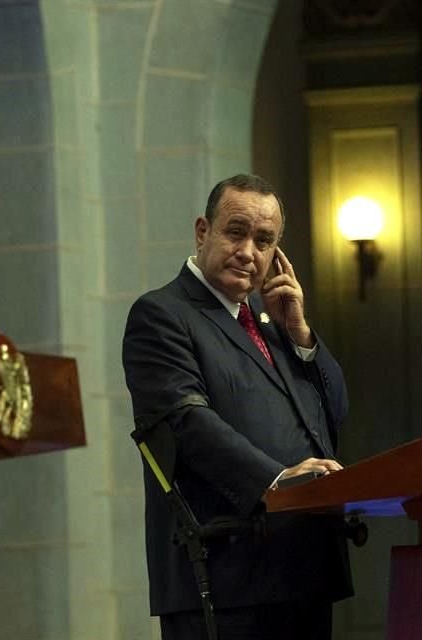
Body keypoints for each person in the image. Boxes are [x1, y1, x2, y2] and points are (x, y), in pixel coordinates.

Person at [121, 174, 352, 639]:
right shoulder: (163, 315)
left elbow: (335, 413)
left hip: (301, 569)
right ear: (203, 231)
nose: (249, 252)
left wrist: (301, 335)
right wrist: (278, 481)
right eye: (236, 232)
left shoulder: (275, 323)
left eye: (264, 240)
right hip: (224, 575)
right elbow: (187, 423)